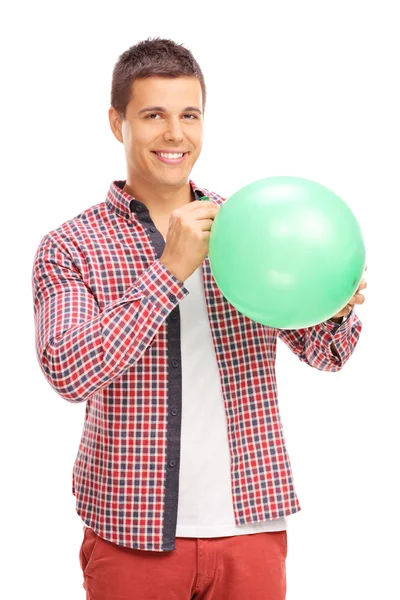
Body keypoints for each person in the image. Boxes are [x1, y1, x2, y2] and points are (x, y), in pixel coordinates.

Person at [32, 37, 367, 600]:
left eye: (189, 115)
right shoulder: (70, 246)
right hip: (129, 534)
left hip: (250, 527)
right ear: (118, 124)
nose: (175, 134)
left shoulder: (251, 227)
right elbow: (68, 370)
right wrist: (170, 270)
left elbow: (329, 355)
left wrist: (331, 306)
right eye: (153, 115)